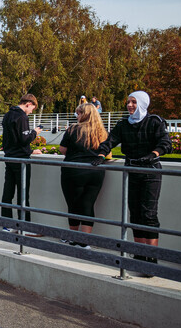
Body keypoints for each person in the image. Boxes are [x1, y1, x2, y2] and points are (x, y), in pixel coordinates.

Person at [99, 91, 172, 272]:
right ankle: (139, 254)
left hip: (150, 171)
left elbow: (166, 143)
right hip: (132, 171)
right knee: (135, 213)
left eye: (133, 102)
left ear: (142, 104)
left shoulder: (155, 122)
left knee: (149, 214)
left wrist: (153, 154)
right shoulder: (124, 124)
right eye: (128, 102)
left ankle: (152, 257)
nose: (130, 105)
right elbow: (111, 140)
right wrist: (101, 155)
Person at [59, 103, 107, 247]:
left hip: (73, 171)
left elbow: (62, 149)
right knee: (88, 205)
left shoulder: (73, 129)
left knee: (73, 205)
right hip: (95, 172)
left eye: (78, 113)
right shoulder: (101, 132)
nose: (77, 116)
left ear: (84, 114)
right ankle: (85, 240)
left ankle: (73, 237)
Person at [0, 94, 42, 227]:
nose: (31, 112)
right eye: (32, 109)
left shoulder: (8, 115)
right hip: (21, 160)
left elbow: (13, 140)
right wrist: (35, 132)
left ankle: (7, 224)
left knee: (8, 192)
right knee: (23, 194)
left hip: (9, 157)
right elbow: (24, 139)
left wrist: (29, 150)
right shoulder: (22, 117)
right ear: (28, 104)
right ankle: (24, 226)